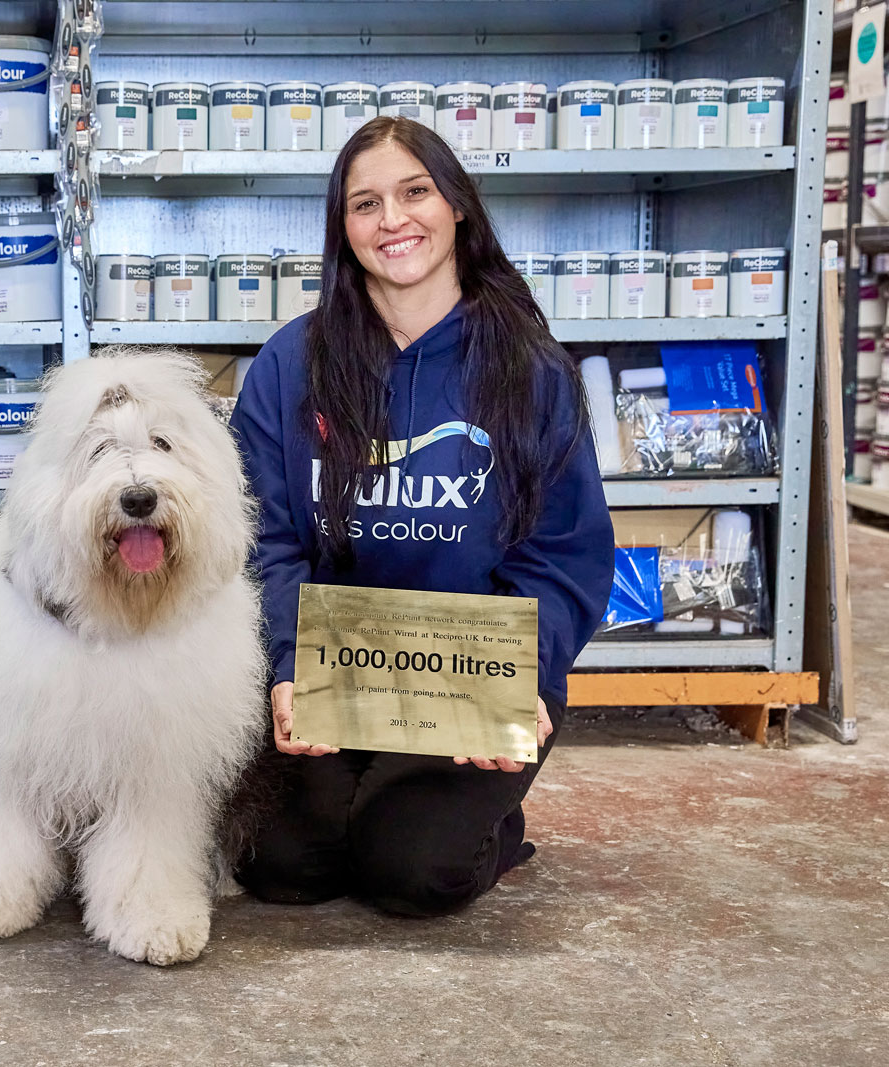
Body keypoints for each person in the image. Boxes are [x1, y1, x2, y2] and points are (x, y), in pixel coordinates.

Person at [229, 116, 613, 915]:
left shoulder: (531, 369)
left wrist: (526, 678)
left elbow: (564, 552)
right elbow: (260, 539)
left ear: (459, 208)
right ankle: (368, 796)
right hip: (334, 674)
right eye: (365, 204)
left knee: (412, 872)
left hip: (469, 677)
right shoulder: (289, 364)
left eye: (415, 193)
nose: (392, 220)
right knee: (281, 864)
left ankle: (486, 827)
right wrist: (288, 663)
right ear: (343, 229)